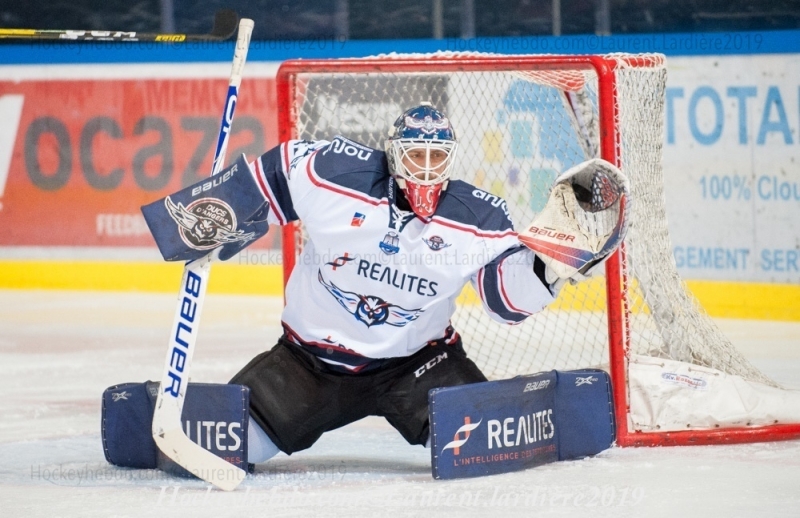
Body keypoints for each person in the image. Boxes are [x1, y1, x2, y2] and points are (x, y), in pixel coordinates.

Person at [229, 103, 621, 464]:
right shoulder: (337, 176)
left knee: (488, 456)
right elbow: (273, 175)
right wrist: (219, 210)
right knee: (229, 447)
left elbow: (505, 302)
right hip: (309, 364)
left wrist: (550, 264)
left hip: (419, 367)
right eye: (417, 155)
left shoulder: (478, 215)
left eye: (437, 156)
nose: (427, 167)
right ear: (394, 154)